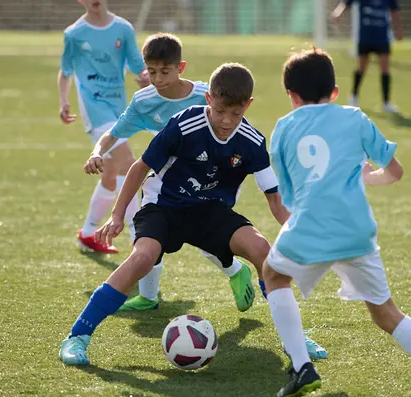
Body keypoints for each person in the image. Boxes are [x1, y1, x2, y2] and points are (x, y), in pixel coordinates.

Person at [82, 34, 328, 360]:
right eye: (220, 110)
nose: (226, 120)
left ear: (247, 106)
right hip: (165, 202)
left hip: (210, 207)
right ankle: (82, 333)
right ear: (209, 99)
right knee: (143, 257)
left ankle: (293, 338)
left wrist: (295, 231)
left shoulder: (246, 135)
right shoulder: (175, 119)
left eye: (235, 113)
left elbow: (273, 195)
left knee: (262, 251)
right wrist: (115, 211)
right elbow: (136, 162)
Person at [262, 48, 411, 397]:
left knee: (273, 275)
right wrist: (367, 178)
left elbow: (290, 197)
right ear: (334, 91)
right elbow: (395, 172)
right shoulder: (355, 117)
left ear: (292, 96)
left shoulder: (283, 128)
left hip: (310, 226)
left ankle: (301, 367)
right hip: (357, 231)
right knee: (386, 312)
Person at [58, 0, 150, 254]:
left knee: (111, 173)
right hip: (94, 108)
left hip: (118, 106)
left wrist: (146, 76)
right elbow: (65, 71)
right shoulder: (74, 34)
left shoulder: (123, 29)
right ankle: (137, 234)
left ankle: (88, 233)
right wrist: (63, 101)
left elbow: (136, 64)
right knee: (128, 162)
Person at [331, 0, 403, 113]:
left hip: (382, 37)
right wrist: (338, 13)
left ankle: (386, 103)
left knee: (385, 69)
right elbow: (347, 3)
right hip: (365, 36)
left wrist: (398, 29)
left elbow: (394, 11)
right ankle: (353, 97)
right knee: (361, 67)